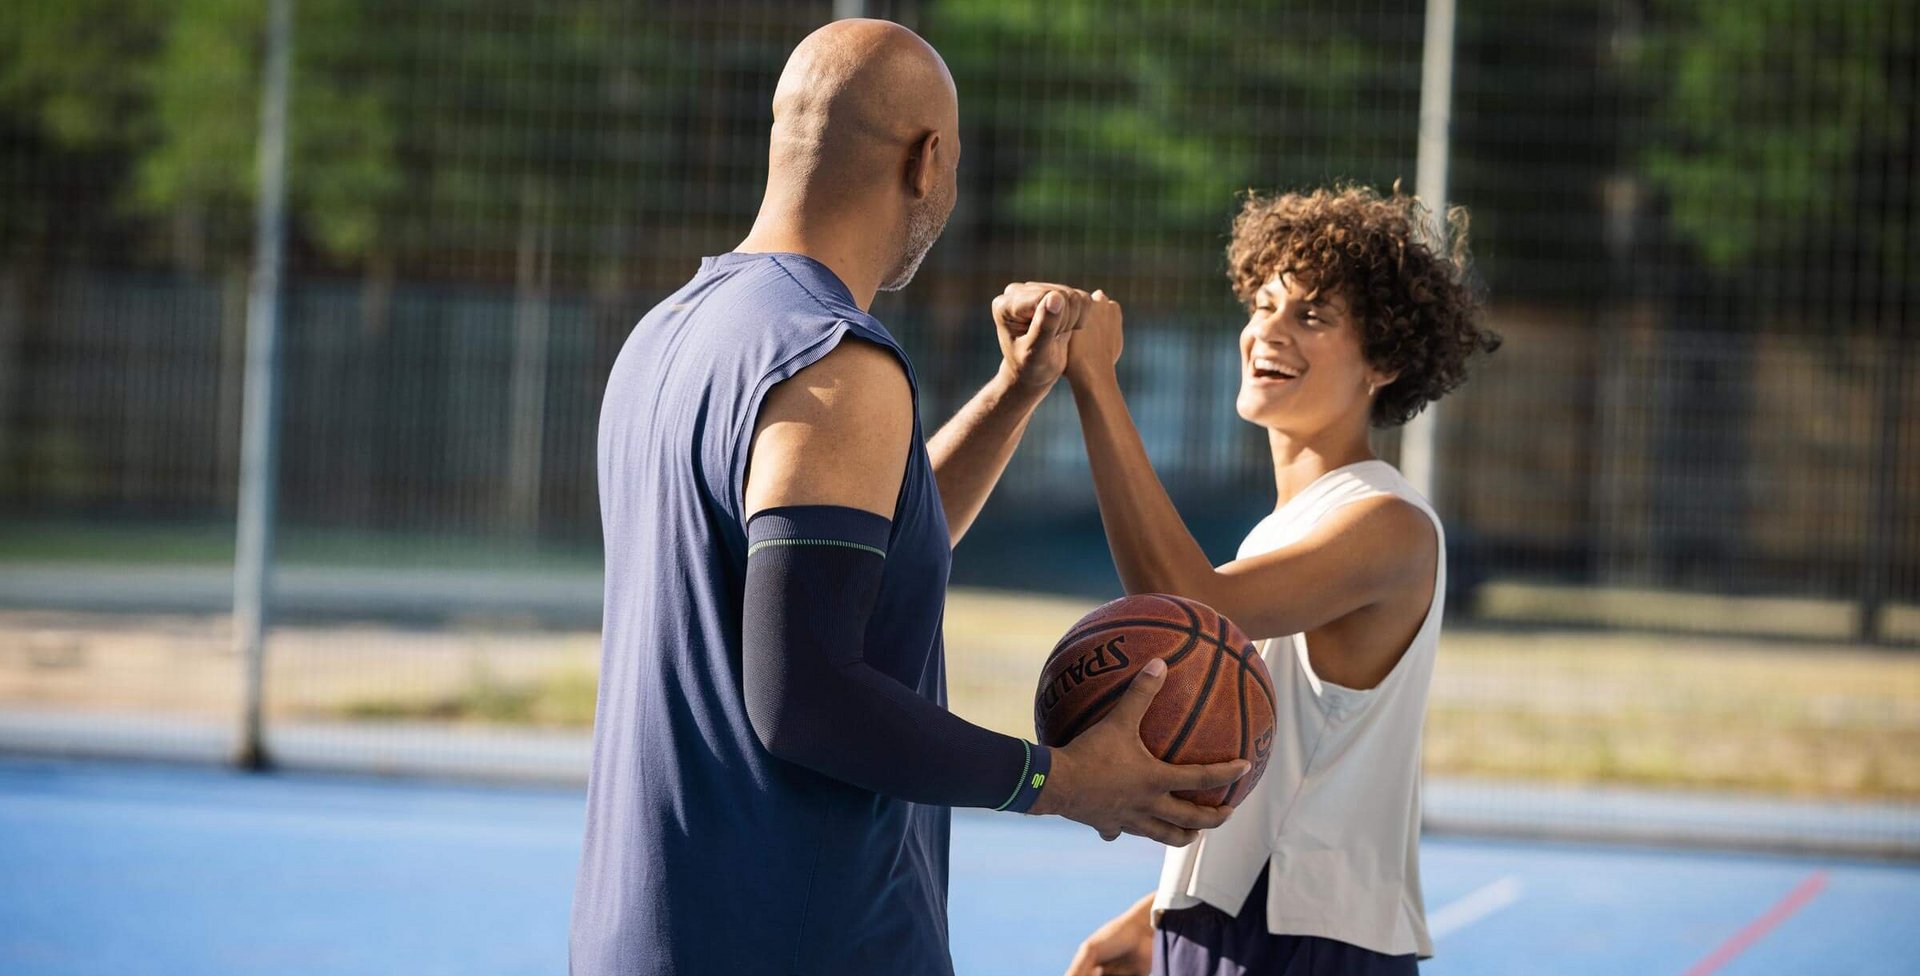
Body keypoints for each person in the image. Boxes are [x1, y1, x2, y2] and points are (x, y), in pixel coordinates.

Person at [569, 19, 1248, 976]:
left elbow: (860, 556)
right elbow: (803, 697)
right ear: (927, 162)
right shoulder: (833, 360)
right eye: (957, 164)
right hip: (798, 944)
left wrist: (1015, 392)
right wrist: (1061, 780)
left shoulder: (670, 335)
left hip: (641, 932)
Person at [1000, 186, 1499, 976]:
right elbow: (1279, 770)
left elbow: (1187, 608)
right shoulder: (1283, 529)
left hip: (1311, 941)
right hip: (1229, 925)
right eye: (1263, 304)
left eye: (1312, 315)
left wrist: (1096, 382)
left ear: (1385, 361)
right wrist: (1167, 909)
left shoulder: (1389, 523)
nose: (1269, 328)